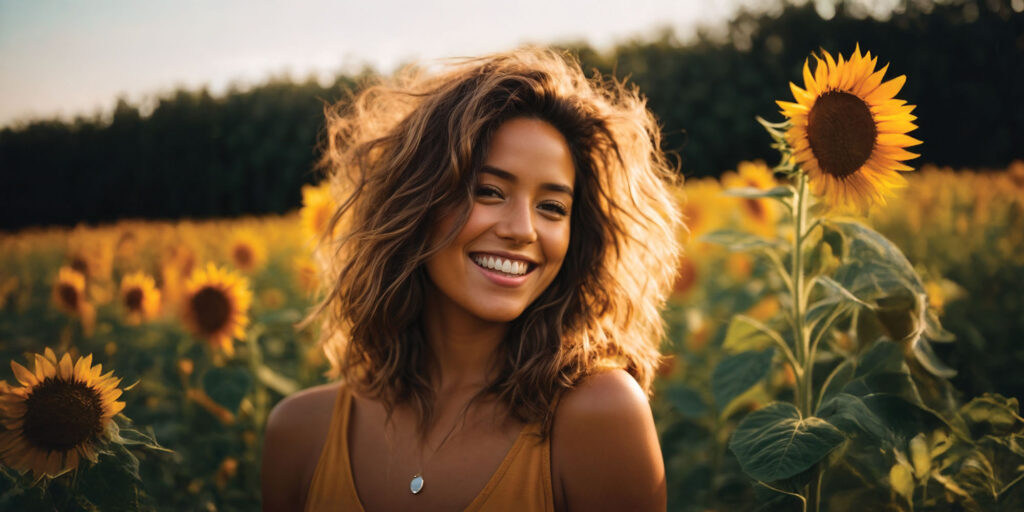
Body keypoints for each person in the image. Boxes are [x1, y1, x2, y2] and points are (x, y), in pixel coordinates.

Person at [262, 47, 682, 512]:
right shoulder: (300, 434)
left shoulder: (600, 416)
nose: (522, 229)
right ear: (416, 203)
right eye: (489, 191)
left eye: (552, 207)